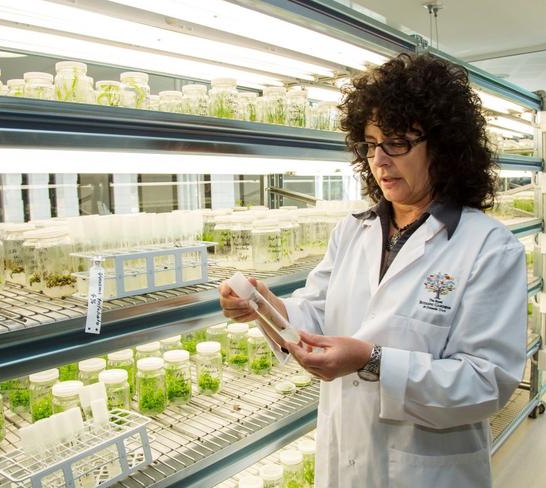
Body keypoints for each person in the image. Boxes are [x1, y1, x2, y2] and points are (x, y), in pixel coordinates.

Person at [219, 53, 527, 488]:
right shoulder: (352, 232)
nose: (379, 159)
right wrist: (263, 307)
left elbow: (487, 382)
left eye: (397, 142)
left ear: (442, 146)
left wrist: (372, 360)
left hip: (428, 471)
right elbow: (313, 317)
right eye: (370, 143)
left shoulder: (489, 248)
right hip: (346, 462)